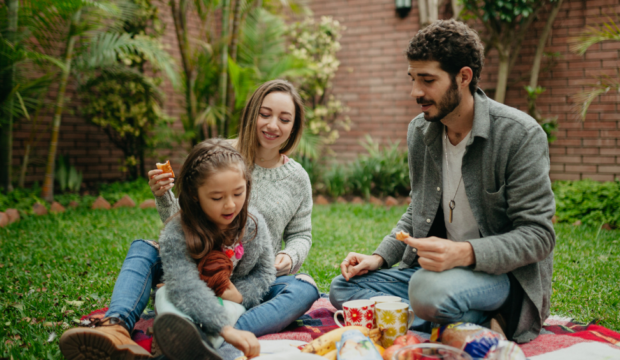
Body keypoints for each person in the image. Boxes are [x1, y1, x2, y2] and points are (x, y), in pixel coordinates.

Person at [329, 19, 555, 344]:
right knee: (345, 289)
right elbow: (416, 209)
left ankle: (480, 317)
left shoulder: (520, 135)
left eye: (428, 80)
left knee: (426, 292)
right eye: (412, 79)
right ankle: (468, 325)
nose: (415, 92)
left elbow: (538, 235)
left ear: (463, 77)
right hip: (438, 275)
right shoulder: (420, 132)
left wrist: (464, 253)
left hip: (499, 277)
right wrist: (378, 258)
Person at [59, 80, 318, 359]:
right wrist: (163, 196)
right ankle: (116, 326)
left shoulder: (297, 179)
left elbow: (301, 234)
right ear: (251, 113)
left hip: (245, 279)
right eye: (264, 114)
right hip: (194, 262)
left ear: (294, 126)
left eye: (284, 118)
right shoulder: (221, 155)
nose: (272, 125)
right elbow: (184, 223)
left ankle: (211, 333)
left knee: (304, 287)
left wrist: (289, 257)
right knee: (145, 248)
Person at [153, 138, 273, 360]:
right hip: (191, 300)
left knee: (302, 287)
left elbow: (266, 271)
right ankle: (201, 339)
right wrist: (224, 328)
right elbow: (184, 285)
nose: (230, 205)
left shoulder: (254, 224)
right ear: (194, 195)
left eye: (238, 193)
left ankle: (194, 344)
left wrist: (239, 295)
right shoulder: (177, 230)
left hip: (232, 303)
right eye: (217, 198)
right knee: (164, 294)